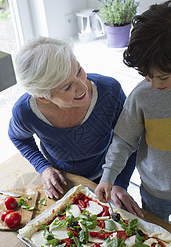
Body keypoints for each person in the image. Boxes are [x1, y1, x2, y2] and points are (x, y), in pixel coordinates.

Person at [8, 36, 142, 216]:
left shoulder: (110, 91)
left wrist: (120, 183)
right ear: (44, 98)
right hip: (65, 182)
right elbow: (19, 137)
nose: (82, 86)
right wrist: (44, 168)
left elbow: (130, 139)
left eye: (78, 70)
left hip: (108, 176)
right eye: (67, 86)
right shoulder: (26, 112)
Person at [95, 1, 171, 222]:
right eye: (147, 76)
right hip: (154, 190)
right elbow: (124, 140)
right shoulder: (142, 95)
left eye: (163, 78)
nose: (154, 84)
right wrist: (108, 176)